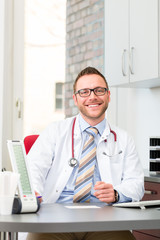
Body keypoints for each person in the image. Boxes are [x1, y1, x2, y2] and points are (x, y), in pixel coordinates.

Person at [26, 66, 144, 240]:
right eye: (84, 92)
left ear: (109, 95)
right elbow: (33, 169)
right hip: (55, 220)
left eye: (99, 90)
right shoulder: (54, 131)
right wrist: (34, 193)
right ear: (75, 99)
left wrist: (116, 194)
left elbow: (136, 183)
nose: (92, 97)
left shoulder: (124, 139)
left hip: (105, 222)